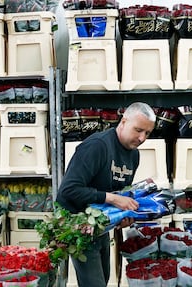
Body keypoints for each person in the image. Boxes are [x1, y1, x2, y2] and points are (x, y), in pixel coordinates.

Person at [56, 102, 156, 287]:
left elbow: (121, 193)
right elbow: (68, 189)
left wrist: (125, 216)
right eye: (138, 130)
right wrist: (113, 199)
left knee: (104, 279)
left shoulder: (134, 155)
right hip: (78, 227)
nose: (142, 138)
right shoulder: (97, 146)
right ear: (123, 122)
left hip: (101, 226)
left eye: (147, 133)